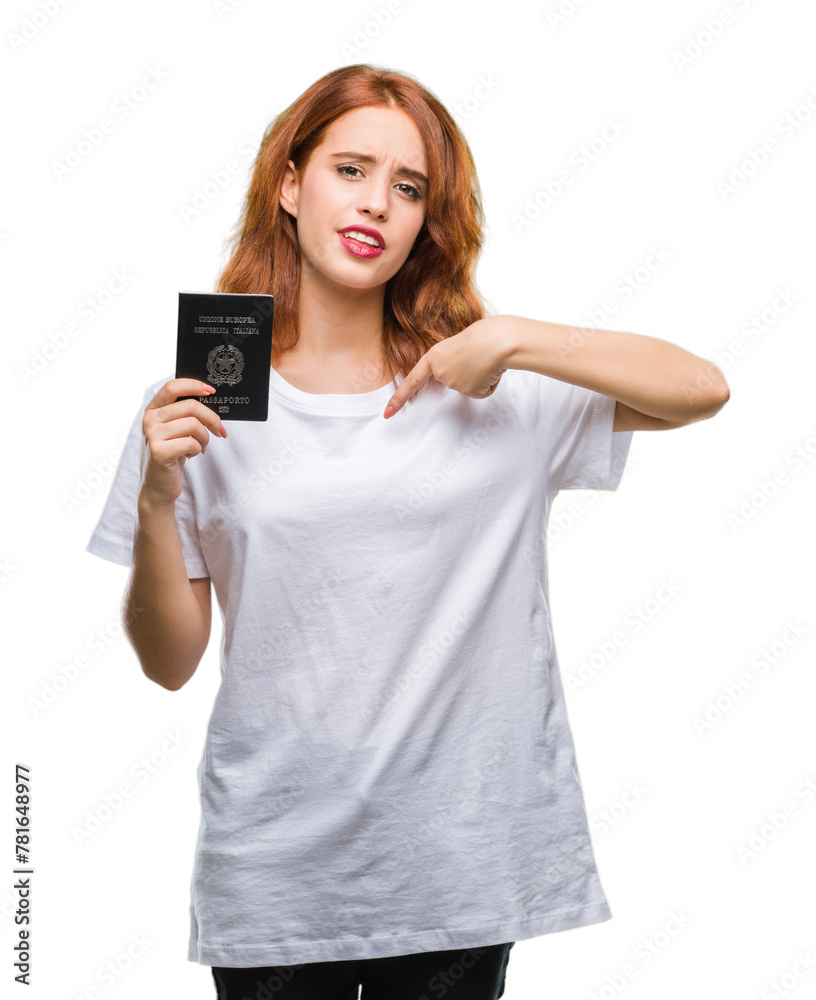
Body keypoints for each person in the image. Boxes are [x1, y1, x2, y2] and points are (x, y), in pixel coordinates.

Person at [85, 63, 729, 1000]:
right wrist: (155, 500)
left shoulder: (491, 385)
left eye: (409, 186)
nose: (376, 203)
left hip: (458, 870)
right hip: (273, 875)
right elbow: (168, 662)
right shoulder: (197, 407)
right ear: (290, 186)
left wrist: (513, 337)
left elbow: (702, 389)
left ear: (428, 219)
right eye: (350, 170)